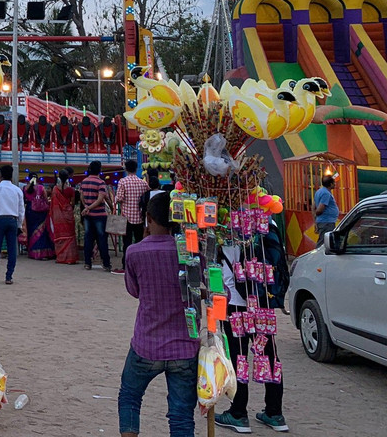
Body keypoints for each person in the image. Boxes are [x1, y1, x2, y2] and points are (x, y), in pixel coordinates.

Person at [117, 193, 199, 437]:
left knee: (130, 397)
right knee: (182, 416)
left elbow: (134, 291)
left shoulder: (134, 252)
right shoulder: (191, 253)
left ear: (148, 219)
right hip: (184, 346)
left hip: (147, 343)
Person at [215, 219, 288, 433]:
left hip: (235, 303)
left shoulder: (222, 224)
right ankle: (275, 413)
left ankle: (238, 413)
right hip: (263, 300)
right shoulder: (268, 220)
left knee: (238, 357)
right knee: (269, 354)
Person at [0, 164, 25, 284]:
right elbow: (21, 209)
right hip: (13, 220)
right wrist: (19, 224)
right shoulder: (17, 190)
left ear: (0, 175)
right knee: (12, 249)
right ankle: (9, 277)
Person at [113, 160, 150, 274]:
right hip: (139, 217)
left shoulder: (123, 181)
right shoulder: (142, 183)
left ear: (126, 169)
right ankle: (139, 264)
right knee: (139, 242)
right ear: (136, 168)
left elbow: (119, 198)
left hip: (126, 218)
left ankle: (126, 265)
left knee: (127, 243)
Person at [80, 160, 113, 272]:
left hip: (88, 215)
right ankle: (106, 263)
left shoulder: (84, 182)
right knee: (102, 239)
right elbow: (101, 199)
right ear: (100, 170)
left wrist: (86, 207)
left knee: (88, 238)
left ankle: (87, 263)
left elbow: (82, 197)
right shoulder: (100, 183)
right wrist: (112, 207)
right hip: (99, 214)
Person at [47, 169, 79, 264]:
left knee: (59, 236)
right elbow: (72, 203)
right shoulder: (70, 190)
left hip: (57, 216)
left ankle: (60, 258)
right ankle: (70, 258)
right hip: (68, 214)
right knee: (69, 236)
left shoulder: (55, 189)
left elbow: (53, 203)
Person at [25, 175, 55, 260]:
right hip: (41, 212)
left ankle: (32, 253)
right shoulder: (41, 188)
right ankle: (43, 253)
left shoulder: (25, 188)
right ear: (37, 179)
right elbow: (45, 199)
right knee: (41, 232)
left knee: (31, 232)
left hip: (30, 211)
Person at [314, 173, 339, 245]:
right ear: (330, 184)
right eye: (334, 183)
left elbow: (313, 206)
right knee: (323, 242)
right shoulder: (326, 194)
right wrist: (317, 214)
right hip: (326, 222)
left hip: (325, 221)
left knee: (326, 241)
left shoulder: (319, 191)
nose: (335, 184)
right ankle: (318, 256)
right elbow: (319, 209)